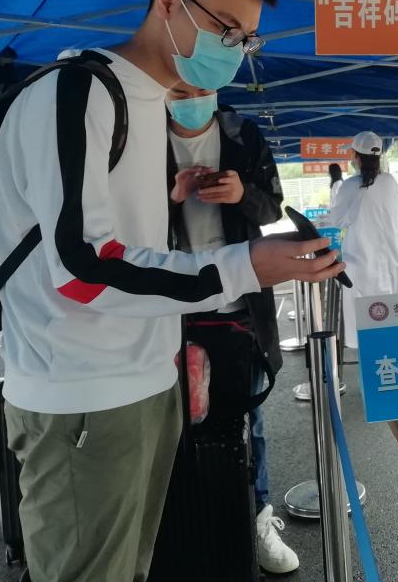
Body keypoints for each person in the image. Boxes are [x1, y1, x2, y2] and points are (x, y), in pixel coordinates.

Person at [0, 0, 342, 582]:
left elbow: (129, 245)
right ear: (169, 1)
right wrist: (245, 264)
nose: (234, 52)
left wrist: (239, 236)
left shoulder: (145, 107)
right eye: (226, 29)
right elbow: (83, 268)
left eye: (246, 39)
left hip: (148, 380)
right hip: (82, 395)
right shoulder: (78, 92)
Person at [166, 81, 298, 574]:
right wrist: (171, 195)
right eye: (179, 89)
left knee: (247, 420)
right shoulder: (139, 139)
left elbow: (272, 207)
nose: (190, 98)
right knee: (170, 423)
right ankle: (184, 526)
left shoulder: (242, 134)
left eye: (200, 87)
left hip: (240, 306)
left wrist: (243, 195)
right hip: (168, 310)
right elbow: (116, 221)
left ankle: (255, 518)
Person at [329, 132, 398, 348]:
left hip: (360, 264)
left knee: (365, 330)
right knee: (392, 325)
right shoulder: (390, 182)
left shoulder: (349, 186)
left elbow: (337, 220)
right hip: (391, 262)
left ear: (356, 156)